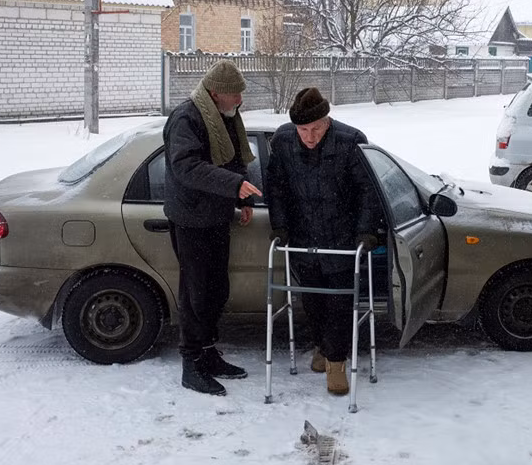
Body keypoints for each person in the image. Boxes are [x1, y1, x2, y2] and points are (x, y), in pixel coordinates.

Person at [266, 87, 380, 396]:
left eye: (316, 128)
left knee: (340, 302)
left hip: (341, 237)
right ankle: (323, 346)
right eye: (303, 129)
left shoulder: (350, 141)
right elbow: (275, 187)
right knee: (312, 302)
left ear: (327, 120)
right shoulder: (284, 140)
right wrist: (280, 225)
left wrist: (364, 231)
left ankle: (336, 362)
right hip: (304, 237)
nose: (310, 136)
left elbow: (367, 191)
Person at [163, 59, 262, 396]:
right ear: (217, 92)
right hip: (191, 219)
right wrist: (234, 186)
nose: (240, 101)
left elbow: (235, 160)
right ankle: (191, 364)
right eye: (235, 95)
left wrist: (243, 199)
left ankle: (207, 352)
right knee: (195, 293)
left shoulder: (224, 117)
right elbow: (187, 167)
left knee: (216, 289)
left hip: (217, 217)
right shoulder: (187, 118)